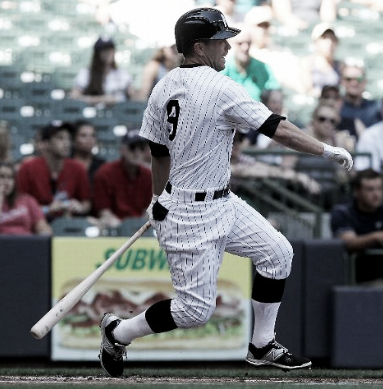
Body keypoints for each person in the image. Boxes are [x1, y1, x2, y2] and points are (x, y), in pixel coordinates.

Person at [98, 8, 353, 377]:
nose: (228, 47)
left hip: (222, 201)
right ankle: (118, 332)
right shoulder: (219, 86)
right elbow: (276, 129)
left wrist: (156, 197)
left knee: (278, 253)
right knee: (193, 312)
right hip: (187, 213)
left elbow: (158, 154)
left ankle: (262, 344)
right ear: (199, 47)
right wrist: (325, 150)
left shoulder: (164, 84)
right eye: (221, 41)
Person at [331, 168, 383, 287]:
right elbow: (348, 243)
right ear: (357, 191)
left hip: (380, 278)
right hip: (347, 279)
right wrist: (377, 237)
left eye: (380, 189)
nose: (376, 194)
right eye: (370, 190)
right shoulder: (343, 211)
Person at [17, 121, 91, 222]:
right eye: (60, 138)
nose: (66, 143)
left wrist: (80, 206)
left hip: (68, 225)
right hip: (34, 224)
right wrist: (46, 209)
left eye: (68, 138)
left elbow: (86, 202)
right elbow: (19, 205)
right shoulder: (27, 168)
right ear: (46, 144)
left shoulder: (78, 168)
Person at [92, 130, 153, 229]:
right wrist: (121, 228)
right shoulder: (105, 173)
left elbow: (149, 209)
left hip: (140, 228)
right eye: (132, 147)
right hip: (112, 227)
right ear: (122, 150)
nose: (137, 152)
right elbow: (104, 211)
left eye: (141, 148)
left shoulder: (148, 175)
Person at [0, 161, 52, 235]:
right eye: (2, 176)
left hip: (26, 244)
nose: (7, 182)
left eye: (10, 178)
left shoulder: (27, 200)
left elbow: (42, 227)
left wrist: (43, 238)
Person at [70, 37, 137, 106]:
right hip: (94, 113)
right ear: (97, 53)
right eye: (104, 50)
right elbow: (74, 96)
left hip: (119, 113)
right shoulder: (86, 73)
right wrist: (102, 99)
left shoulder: (122, 73)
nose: (108, 53)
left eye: (110, 50)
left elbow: (134, 97)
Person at [221, 25, 280, 103]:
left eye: (248, 43)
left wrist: (275, 95)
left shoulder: (262, 67)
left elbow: (274, 85)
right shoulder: (223, 68)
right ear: (231, 45)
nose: (245, 47)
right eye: (240, 43)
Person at [299, 22, 343, 98]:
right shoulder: (307, 62)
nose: (329, 43)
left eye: (332, 39)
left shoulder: (341, 65)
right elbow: (308, 90)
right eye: (324, 38)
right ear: (316, 42)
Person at [339, 64, 383, 131]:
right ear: (342, 82)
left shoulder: (376, 107)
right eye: (348, 79)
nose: (354, 83)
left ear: (365, 81)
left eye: (359, 79)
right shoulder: (337, 108)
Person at [70, 120, 106, 187]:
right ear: (73, 139)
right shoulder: (64, 164)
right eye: (83, 135)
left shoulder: (102, 166)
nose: (89, 139)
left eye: (93, 135)